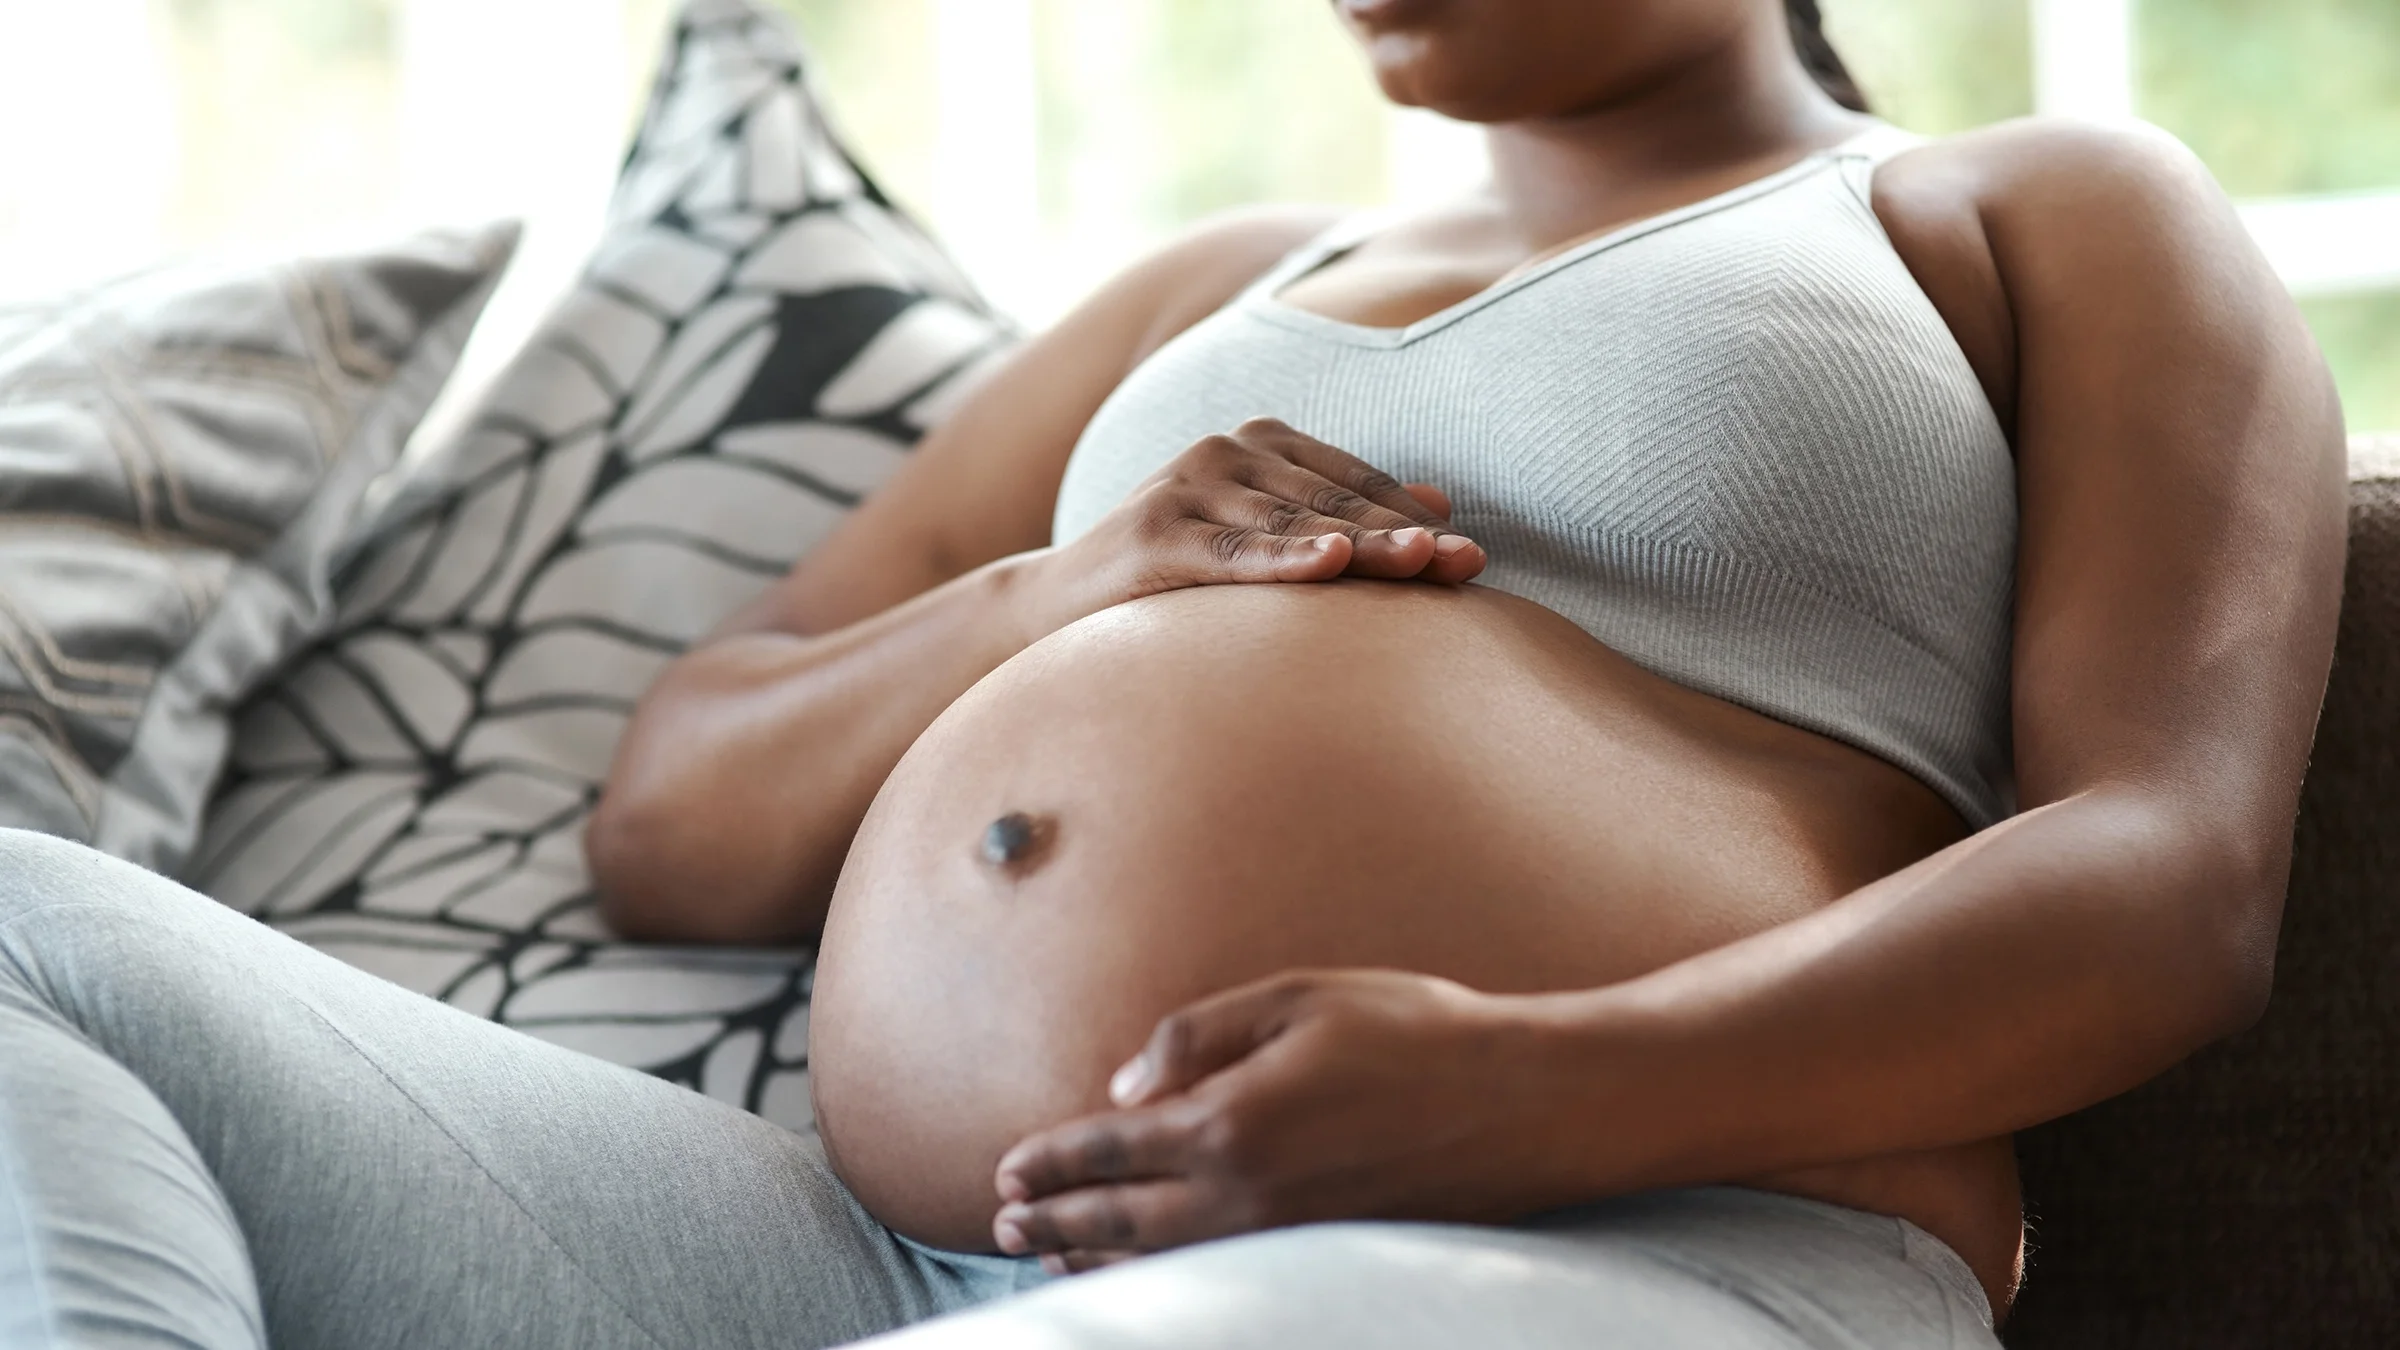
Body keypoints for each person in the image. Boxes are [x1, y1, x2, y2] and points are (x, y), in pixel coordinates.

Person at [0, 1, 2344, 1347]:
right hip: (875, 1259)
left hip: (1641, 1234)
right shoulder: (1199, 296)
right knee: (27, 937)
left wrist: (1541, 1086)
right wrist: (1074, 583)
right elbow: (677, 812)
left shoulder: (2024, 210)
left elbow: (2168, 878)